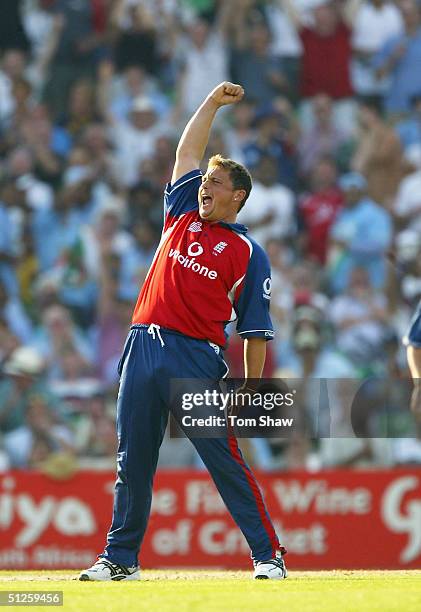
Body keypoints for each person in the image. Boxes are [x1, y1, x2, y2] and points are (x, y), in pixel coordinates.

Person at [79, 82, 287, 582]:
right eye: (203, 182)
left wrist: (251, 387)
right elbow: (186, 151)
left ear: (237, 195)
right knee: (132, 460)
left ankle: (267, 556)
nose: (203, 187)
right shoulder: (180, 216)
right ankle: (120, 558)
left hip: (195, 357)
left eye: (214, 183)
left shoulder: (247, 252)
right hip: (142, 346)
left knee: (223, 460)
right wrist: (212, 104)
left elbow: (255, 330)